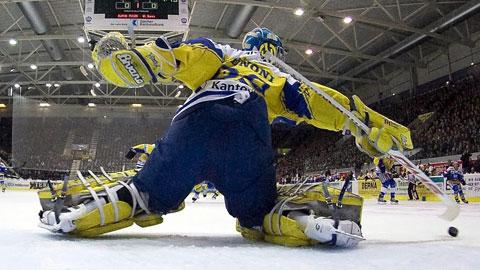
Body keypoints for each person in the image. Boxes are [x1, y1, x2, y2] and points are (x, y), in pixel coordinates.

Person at [38, 28, 412, 248]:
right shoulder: (282, 81)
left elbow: (183, 56)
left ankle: (84, 212)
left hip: (195, 122)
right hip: (248, 137)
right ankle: (305, 221)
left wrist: (144, 59)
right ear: (276, 52)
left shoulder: (223, 54)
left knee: (146, 194)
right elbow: (328, 105)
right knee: (257, 213)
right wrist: (371, 128)